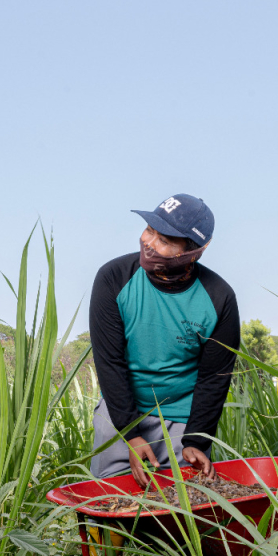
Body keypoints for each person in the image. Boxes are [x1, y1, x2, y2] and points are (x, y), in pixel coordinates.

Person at [89, 194, 241, 486]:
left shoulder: (219, 298)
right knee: (111, 501)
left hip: (182, 418)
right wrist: (131, 433)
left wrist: (196, 438)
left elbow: (214, 377)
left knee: (181, 506)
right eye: (150, 230)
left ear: (194, 251)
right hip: (120, 410)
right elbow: (109, 362)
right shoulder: (114, 278)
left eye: (165, 241)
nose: (149, 243)